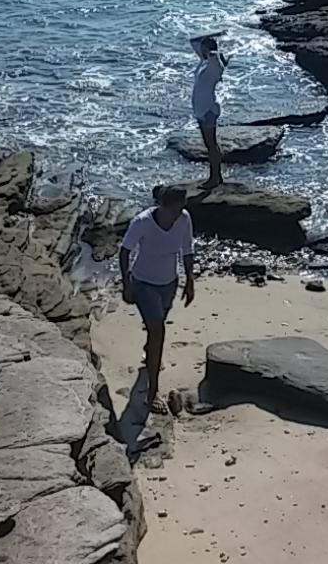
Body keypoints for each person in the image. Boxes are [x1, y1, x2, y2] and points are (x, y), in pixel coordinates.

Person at [120, 185, 196, 414]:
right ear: (161, 206)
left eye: (179, 209)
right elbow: (124, 251)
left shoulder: (184, 219)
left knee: (156, 327)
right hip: (143, 283)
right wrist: (126, 284)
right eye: (172, 210)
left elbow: (187, 249)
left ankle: (150, 352)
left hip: (169, 283)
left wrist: (190, 280)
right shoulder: (142, 222)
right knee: (158, 331)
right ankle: (152, 393)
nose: (176, 215)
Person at [190, 34, 228, 188]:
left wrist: (213, 49)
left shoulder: (215, 64)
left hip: (208, 110)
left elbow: (215, 55)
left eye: (204, 48)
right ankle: (216, 176)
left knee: (211, 146)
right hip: (201, 110)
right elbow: (193, 41)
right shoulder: (204, 62)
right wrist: (213, 35)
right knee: (209, 145)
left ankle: (214, 178)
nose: (201, 49)